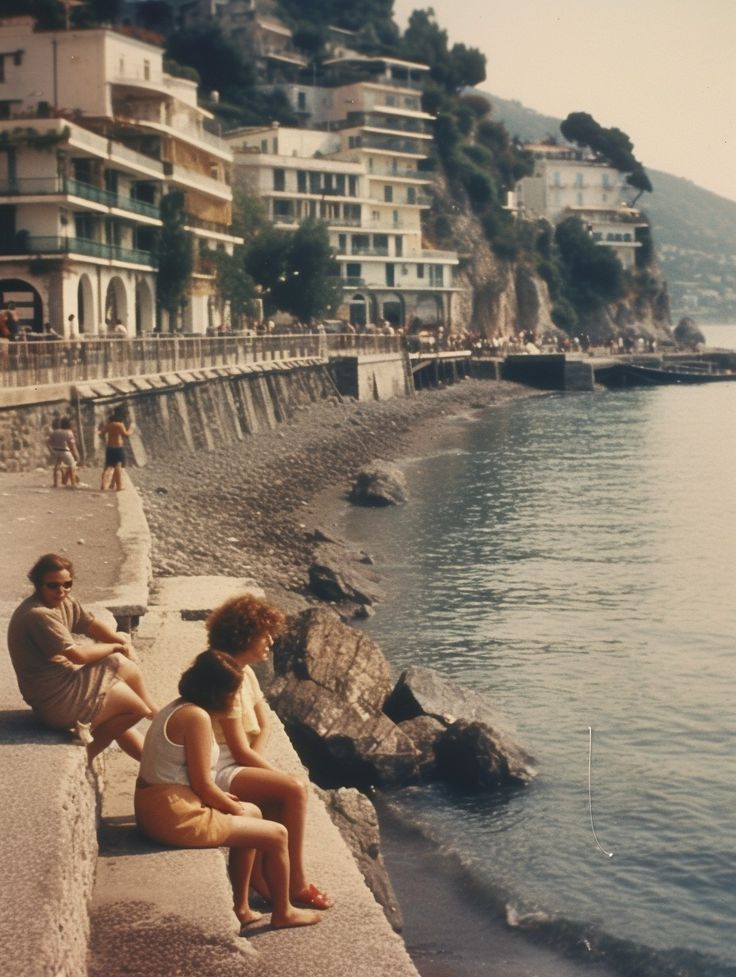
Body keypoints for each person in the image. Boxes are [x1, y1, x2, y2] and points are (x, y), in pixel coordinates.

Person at [135, 649, 321, 930]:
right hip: (172, 815)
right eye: (232, 694)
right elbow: (203, 785)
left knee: (255, 813)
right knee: (277, 834)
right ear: (217, 692)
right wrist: (231, 806)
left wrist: (230, 804)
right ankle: (284, 911)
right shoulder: (196, 718)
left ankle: (242, 906)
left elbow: (192, 780)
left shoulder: (178, 707)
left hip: (158, 805)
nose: (234, 700)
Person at [206, 594, 332, 911]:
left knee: (281, 792)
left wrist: (260, 768)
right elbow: (236, 749)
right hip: (216, 766)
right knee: (293, 789)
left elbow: (264, 725)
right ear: (246, 636)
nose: (270, 642)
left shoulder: (245, 671)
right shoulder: (227, 678)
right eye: (265, 635)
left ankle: (264, 878)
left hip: (234, 759)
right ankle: (296, 883)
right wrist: (270, 773)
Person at [7, 553, 157, 763]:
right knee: (134, 707)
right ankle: (89, 752)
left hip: (64, 685)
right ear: (38, 584)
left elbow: (91, 625)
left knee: (121, 678)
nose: (61, 591)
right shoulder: (38, 615)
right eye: (53, 585)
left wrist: (120, 641)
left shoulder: (65, 602)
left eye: (67, 584)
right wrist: (115, 646)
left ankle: (154, 755)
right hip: (54, 702)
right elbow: (77, 656)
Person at [98, 405, 133, 491]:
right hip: (118, 447)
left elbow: (101, 434)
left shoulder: (109, 425)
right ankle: (119, 486)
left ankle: (103, 485)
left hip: (109, 447)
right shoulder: (119, 425)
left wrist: (105, 439)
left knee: (107, 466)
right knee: (118, 465)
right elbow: (126, 435)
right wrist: (132, 430)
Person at [47, 416, 80, 488]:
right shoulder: (69, 432)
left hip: (56, 451)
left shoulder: (55, 432)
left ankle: (56, 483)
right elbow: (72, 445)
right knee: (72, 465)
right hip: (65, 451)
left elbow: (48, 442)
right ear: (69, 425)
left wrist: (51, 451)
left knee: (57, 467)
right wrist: (76, 455)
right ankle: (73, 483)